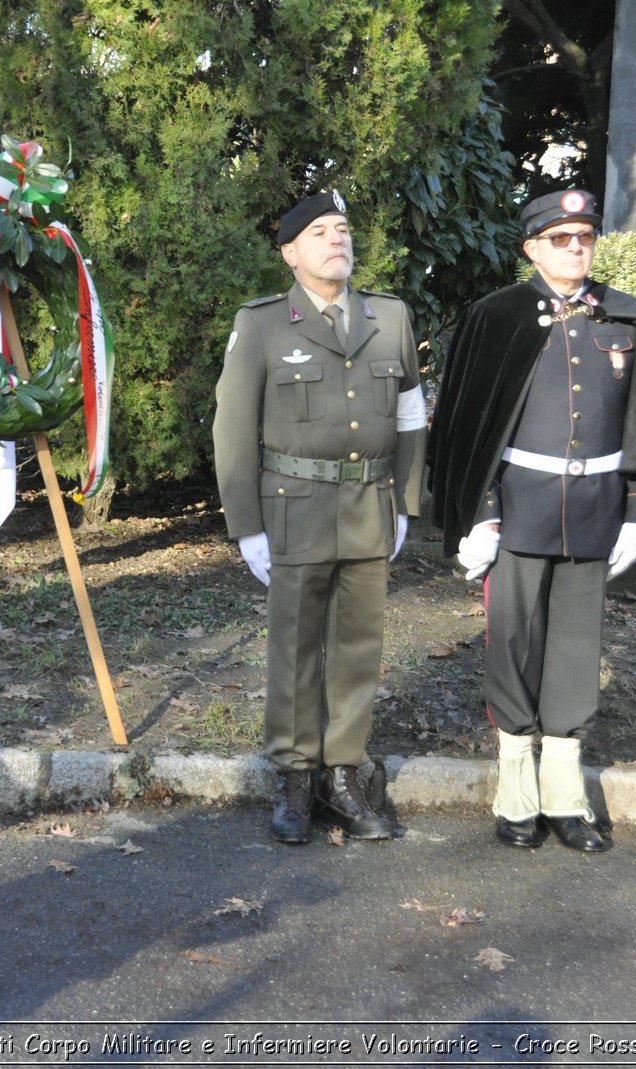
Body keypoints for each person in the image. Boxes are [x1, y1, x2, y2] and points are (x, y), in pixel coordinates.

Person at [427, 190, 636, 853]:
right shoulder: (497, 320)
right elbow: (471, 427)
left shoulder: (627, 320)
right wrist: (482, 516)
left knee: (576, 647)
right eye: (560, 238)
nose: (575, 248)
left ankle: (564, 791)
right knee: (514, 641)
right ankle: (516, 785)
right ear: (532, 248)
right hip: (520, 510)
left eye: (584, 237)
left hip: (595, 512)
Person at [213, 191, 427, 844]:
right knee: (296, 647)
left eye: (343, 229)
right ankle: (295, 778)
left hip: (368, 506)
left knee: (359, 651)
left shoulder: (388, 318)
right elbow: (232, 430)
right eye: (319, 232)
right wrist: (247, 525)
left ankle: (343, 774)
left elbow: (413, 416)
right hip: (293, 511)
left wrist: (406, 503)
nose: (337, 239)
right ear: (290, 252)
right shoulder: (263, 325)